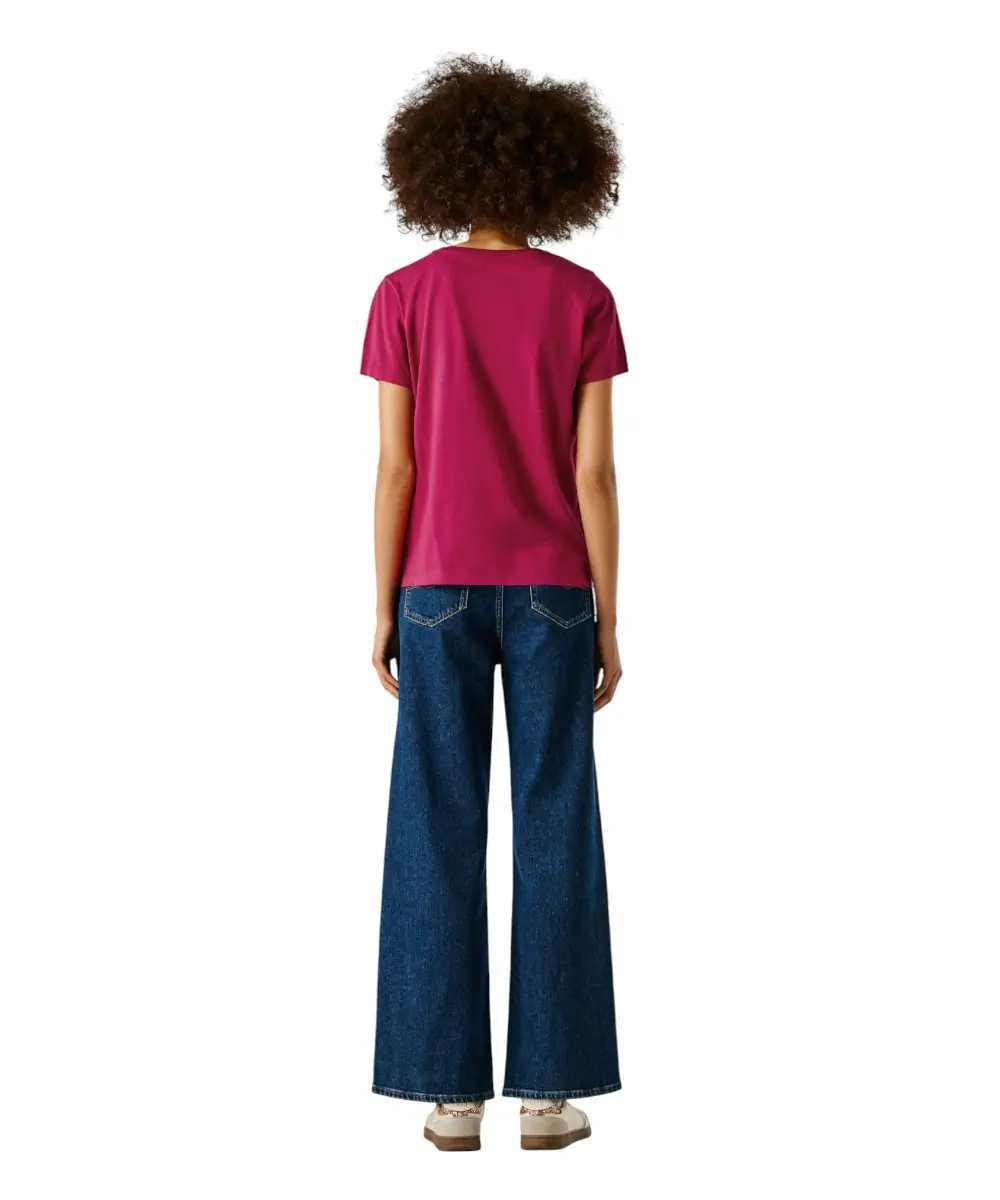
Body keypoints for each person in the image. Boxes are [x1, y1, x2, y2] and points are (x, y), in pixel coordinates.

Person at [361, 55, 627, 1152]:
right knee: (555, 817)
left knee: (436, 818)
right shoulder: (583, 297)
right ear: (556, 174)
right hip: (557, 590)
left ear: (441, 168)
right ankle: (549, 1099)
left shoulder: (404, 295)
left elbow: (397, 468)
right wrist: (610, 615)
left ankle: (449, 1098)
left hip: (433, 585)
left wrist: (383, 603)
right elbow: (592, 474)